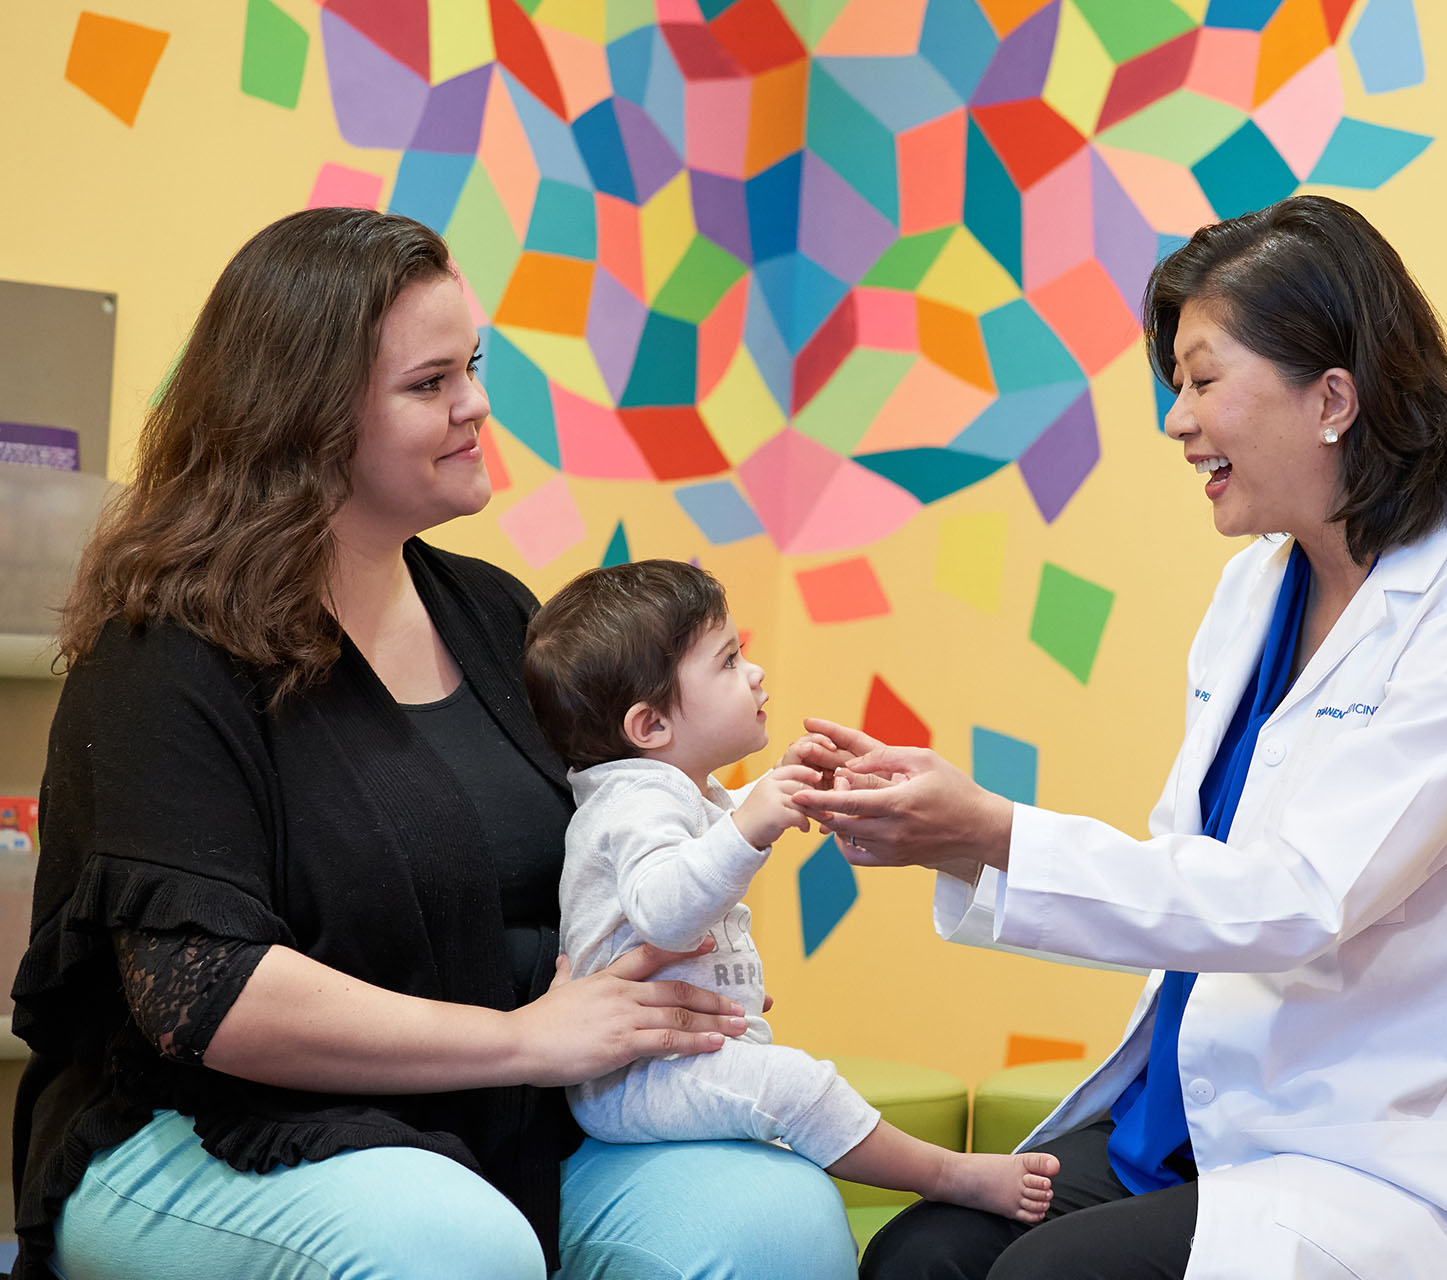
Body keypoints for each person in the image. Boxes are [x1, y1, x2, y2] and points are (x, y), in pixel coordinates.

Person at [8, 208, 857, 1280]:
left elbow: (622, 830)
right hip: (202, 1122)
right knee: (453, 1249)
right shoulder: (163, 661)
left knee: (773, 1218)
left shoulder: (502, 620)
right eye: (430, 383)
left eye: (476, 365)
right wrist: (533, 1038)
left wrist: (664, 970)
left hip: (505, 1108)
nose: (477, 405)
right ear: (307, 419)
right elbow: (209, 999)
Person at [790, 194, 1447, 1280]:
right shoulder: (1252, 593)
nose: (1176, 418)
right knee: (921, 1256)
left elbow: (1297, 898)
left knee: (1043, 1277)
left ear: (1333, 397)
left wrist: (996, 829)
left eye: (1203, 379)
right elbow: (1186, 872)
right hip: (1188, 1123)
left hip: (1358, 1157)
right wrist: (960, 841)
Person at [521, 559, 1059, 1221]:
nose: (755, 672)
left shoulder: (664, 791)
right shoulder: (629, 807)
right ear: (650, 727)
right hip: (638, 1078)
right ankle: (947, 1174)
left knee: (787, 1090)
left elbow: (704, 837)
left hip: (679, 1054)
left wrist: (781, 785)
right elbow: (662, 911)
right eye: (727, 660)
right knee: (801, 1086)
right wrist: (753, 823)